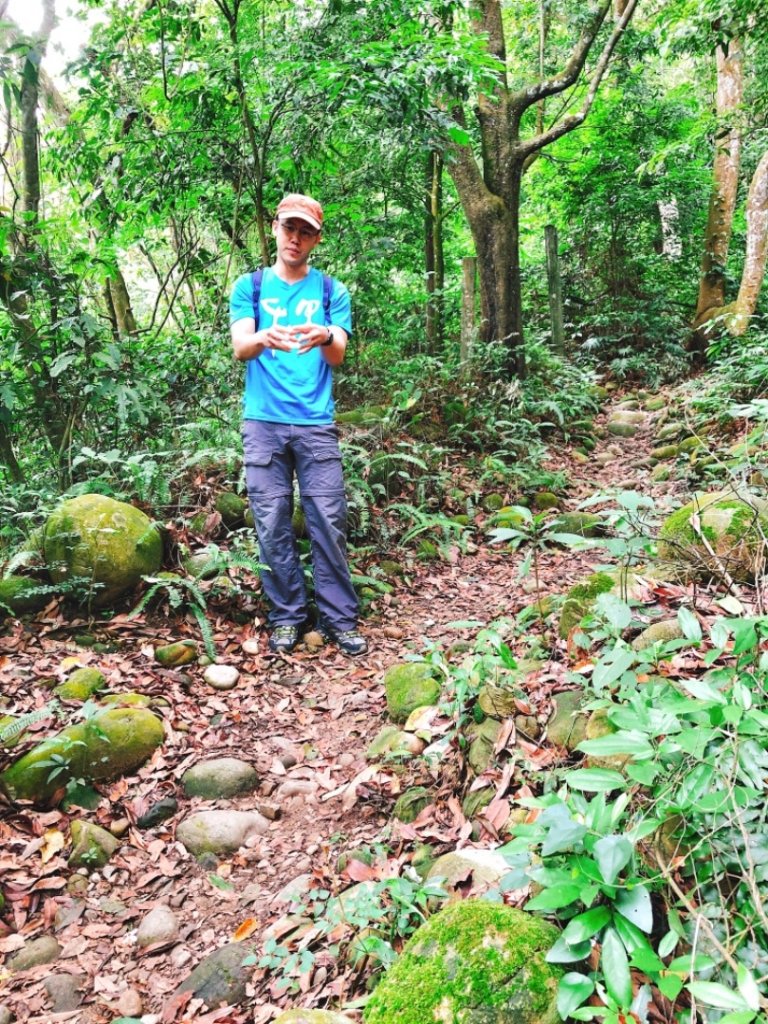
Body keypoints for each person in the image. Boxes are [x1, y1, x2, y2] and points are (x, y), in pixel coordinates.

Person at [229, 193, 367, 657]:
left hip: (315, 423)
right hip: (263, 423)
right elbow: (240, 347)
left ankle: (339, 619)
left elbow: (338, 354)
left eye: (306, 232)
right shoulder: (250, 287)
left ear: (316, 240)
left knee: (329, 520)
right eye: (290, 227)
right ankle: (287, 617)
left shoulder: (330, 291)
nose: (295, 238)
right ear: (275, 228)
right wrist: (263, 337)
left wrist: (325, 333)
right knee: (271, 524)